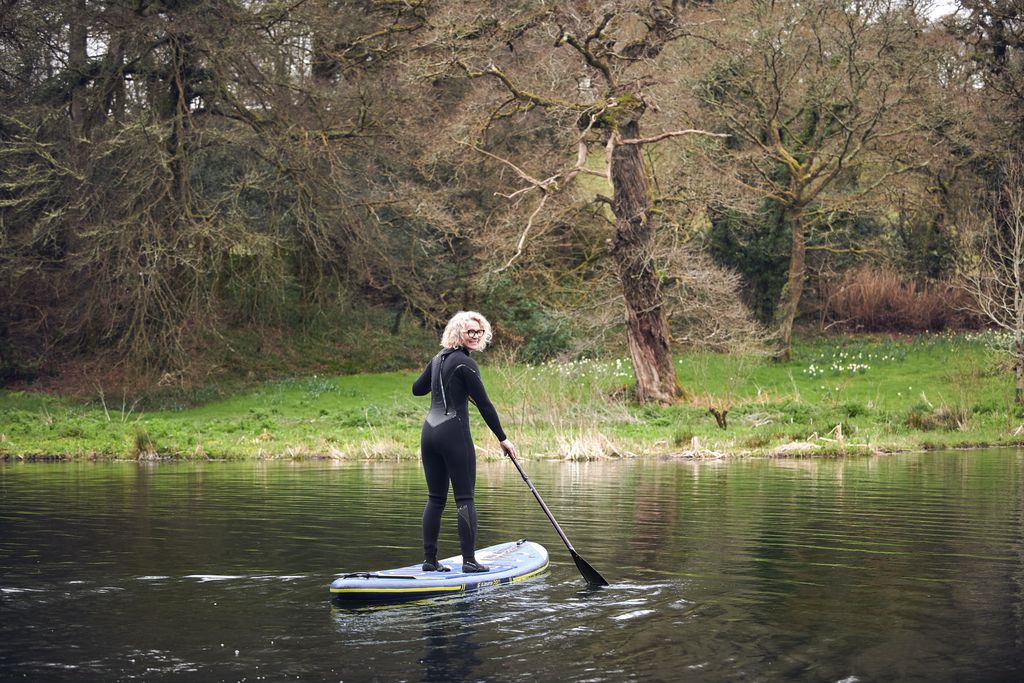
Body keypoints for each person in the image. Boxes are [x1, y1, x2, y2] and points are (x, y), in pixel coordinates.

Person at [412, 311, 518, 573]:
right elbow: (485, 404)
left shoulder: (438, 359)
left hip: (429, 434)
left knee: (435, 499)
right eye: (471, 332)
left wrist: (447, 386)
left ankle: (430, 560)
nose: (476, 336)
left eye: (480, 333)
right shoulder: (465, 364)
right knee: (465, 499)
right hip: (453, 434)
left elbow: (418, 388)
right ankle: (469, 562)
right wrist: (503, 439)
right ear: (458, 331)